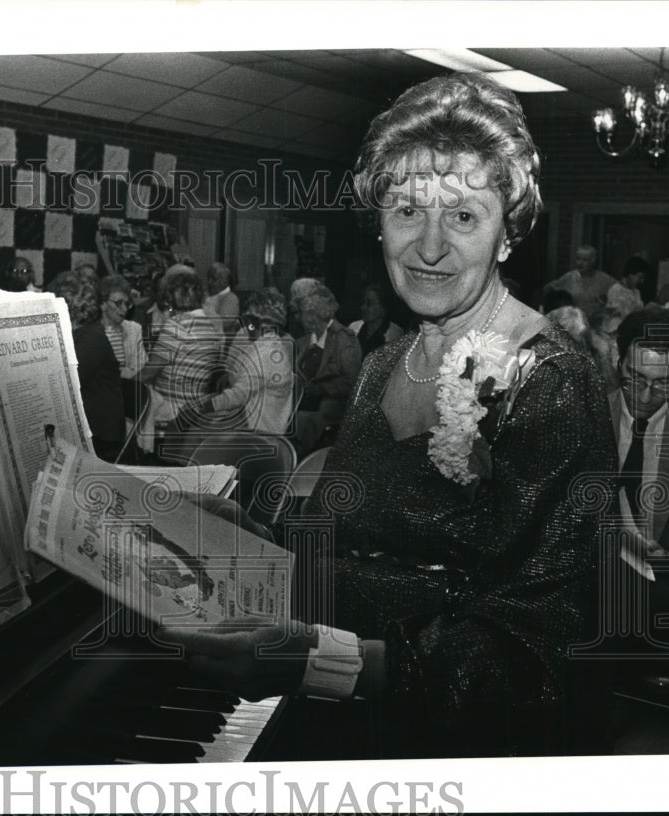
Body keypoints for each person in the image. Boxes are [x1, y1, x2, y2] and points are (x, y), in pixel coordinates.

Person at [162, 72, 617, 759]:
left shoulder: (551, 385)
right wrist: (253, 529)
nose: (428, 247)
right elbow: (368, 532)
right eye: (406, 211)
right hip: (346, 726)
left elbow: (539, 650)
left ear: (507, 232)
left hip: (448, 748)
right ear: (378, 221)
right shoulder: (386, 361)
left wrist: (318, 663)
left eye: (463, 216)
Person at [607, 308, 669, 654]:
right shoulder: (588, 414)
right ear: (616, 359)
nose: (644, 395)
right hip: (597, 580)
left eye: (661, 384)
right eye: (634, 377)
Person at [177, 287, 295, 435]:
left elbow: (237, 396)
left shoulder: (267, 354)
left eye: (249, 320)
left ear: (264, 323)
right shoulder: (266, 345)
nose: (245, 325)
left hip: (258, 431)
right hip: (249, 418)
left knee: (192, 428)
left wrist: (200, 408)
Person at [136, 269, 223, 453]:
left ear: (176, 295)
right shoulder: (210, 327)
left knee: (122, 406)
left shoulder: (177, 325)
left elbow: (149, 372)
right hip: (194, 405)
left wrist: (123, 385)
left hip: (170, 408)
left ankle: (130, 460)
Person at [52, 272, 126, 461]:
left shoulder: (91, 337)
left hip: (101, 438)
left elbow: (64, 380)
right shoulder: (81, 333)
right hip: (88, 428)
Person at [292, 283, 362, 457]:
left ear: (313, 315)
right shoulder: (304, 340)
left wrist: (321, 388)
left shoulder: (345, 339)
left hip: (331, 406)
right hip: (302, 403)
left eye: (300, 313)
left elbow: (353, 381)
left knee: (298, 422)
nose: (297, 318)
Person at [543, 244, 616, 321]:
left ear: (593, 261)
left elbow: (620, 291)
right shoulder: (570, 276)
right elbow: (548, 288)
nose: (580, 263)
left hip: (595, 324)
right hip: (574, 322)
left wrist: (604, 306)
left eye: (585, 260)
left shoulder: (603, 278)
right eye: (578, 259)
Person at [98, 274, 147, 379]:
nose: (124, 309)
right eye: (118, 303)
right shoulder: (90, 332)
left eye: (127, 304)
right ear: (103, 304)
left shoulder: (134, 329)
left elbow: (141, 368)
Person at [347, 283, 403, 358]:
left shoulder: (395, 334)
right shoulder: (353, 328)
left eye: (369, 304)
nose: (363, 308)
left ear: (383, 309)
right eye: (363, 302)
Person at [201, 261, 240, 338]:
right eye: (208, 278)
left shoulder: (231, 298)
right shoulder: (204, 295)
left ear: (225, 281)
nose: (209, 282)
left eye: (214, 279)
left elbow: (224, 324)